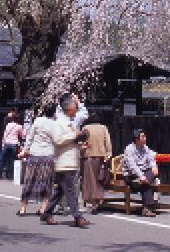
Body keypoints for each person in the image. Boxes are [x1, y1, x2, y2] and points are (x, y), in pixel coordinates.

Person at [40, 96, 90, 228]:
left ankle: (47, 213)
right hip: (64, 162)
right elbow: (57, 140)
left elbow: (68, 141)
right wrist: (75, 136)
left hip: (69, 160)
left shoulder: (69, 122)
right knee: (71, 190)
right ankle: (77, 216)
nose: (76, 108)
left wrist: (79, 143)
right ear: (69, 108)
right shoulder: (59, 123)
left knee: (61, 191)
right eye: (75, 106)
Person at [18, 102, 57, 216]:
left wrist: (25, 151)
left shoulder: (38, 121)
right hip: (48, 154)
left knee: (29, 180)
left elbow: (30, 137)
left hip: (35, 153)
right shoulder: (55, 124)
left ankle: (23, 208)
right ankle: (43, 208)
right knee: (47, 182)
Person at [121, 129, 160, 218]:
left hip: (143, 175)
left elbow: (151, 157)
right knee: (145, 182)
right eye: (143, 137)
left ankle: (146, 208)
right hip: (131, 175)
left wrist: (154, 166)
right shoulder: (129, 149)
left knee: (152, 173)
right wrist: (141, 176)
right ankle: (147, 208)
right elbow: (132, 166)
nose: (145, 138)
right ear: (136, 139)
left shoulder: (145, 147)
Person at [80, 114, 112, 215]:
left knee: (90, 180)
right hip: (101, 156)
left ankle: (93, 203)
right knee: (100, 179)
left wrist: (82, 152)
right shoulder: (103, 128)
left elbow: (82, 142)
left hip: (88, 156)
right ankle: (99, 200)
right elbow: (108, 142)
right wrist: (108, 154)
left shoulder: (86, 128)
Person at [0, 113, 23, 180]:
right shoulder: (19, 126)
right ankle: (10, 175)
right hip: (13, 144)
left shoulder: (8, 125)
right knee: (11, 160)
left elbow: (5, 134)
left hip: (6, 143)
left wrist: (3, 143)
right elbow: (22, 135)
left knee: (1, 159)